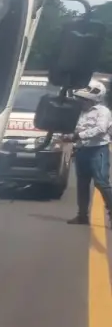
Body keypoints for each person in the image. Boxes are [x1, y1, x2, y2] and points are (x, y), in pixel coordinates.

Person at [68, 82, 112, 225]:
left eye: (84, 98)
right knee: (82, 183)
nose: (81, 101)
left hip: (98, 150)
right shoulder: (78, 111)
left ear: (93, 98)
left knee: (101, 182)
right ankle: (82, 215)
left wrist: (79, 135)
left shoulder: (103, 111)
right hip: (82, 150)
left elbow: (101, 129)